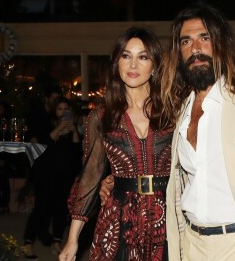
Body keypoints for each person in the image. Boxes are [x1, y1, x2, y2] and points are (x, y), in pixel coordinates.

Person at [159, 4, 235, 261]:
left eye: (204, 37)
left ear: (221, 43)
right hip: (192, 245)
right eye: (186, 41)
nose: (195, 49)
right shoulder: (182, 113)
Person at [59, 27, 173, 261]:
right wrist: (72, 239)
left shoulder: (174, 111)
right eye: (126, 56)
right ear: (116, 63)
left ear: (154, 65)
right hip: (119, 220)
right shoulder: (101, 117)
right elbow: (89, 178)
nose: (133, 65)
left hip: (169, 216)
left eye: (143, 57)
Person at [23, 97, 82, 259]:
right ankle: (28, 243)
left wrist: (74, 132)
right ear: (55, 111)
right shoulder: (46, 125)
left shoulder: (73, 127)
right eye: (60, 109)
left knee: (61, 210)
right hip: (47, 173)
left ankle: (57, 241)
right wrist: (59, 128)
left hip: (66, 174)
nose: (63, 112)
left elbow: (77, 150)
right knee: (41, 208)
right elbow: (44, 145)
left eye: (66, 109)